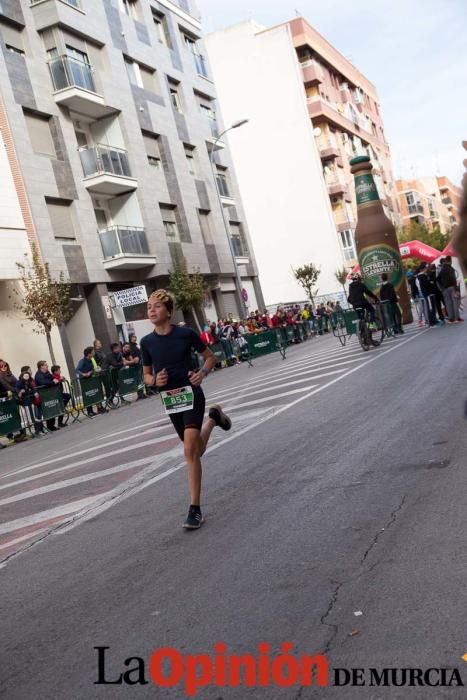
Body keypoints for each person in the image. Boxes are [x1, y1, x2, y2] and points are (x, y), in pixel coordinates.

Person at [141, 289, 231, 530]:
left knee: (189, 450)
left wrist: (202, 373)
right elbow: (146, 375)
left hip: (191, 394)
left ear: (168, 311)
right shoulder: (146, 342)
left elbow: (210, 358)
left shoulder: (186, 334)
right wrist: (153, 382)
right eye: (149, 306)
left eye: (157, 306)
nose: (151, 309)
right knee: (195, 451)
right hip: (171, 400)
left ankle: (195, 509)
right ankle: (214, 418)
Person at [15, 369, 43, 437]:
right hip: (24, 401)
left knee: (33, 412)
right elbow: (16, 388)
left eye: (28, 376)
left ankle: (35, 427)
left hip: (30, 400)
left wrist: (35, 392)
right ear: (22, 376)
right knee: (28, 414)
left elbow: (33, 388)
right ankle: (31, 428)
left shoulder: (29, 382)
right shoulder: (20, 382)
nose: (27, 377)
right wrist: (19, 392)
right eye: (25, 376)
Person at [34, 361, 60, 431]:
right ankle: (46, 427)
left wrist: (54, 379)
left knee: (52, 408)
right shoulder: (38, 375)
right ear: (41, 366)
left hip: (50, 393)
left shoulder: (47, 372)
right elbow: (43, 382)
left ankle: (52, 425)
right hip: (43, 395)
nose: (47, 366)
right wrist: (52, 382)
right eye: (45, 365)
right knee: (47, 410)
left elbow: (52, 377)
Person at [437, 256, 463, 324]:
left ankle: (451, 318)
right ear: (450, 261)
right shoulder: (451, 269)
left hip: (445, 289)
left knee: (448, 304)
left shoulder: (442, 269)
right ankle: (457, 318)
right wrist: (456, 288)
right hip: (452, 287)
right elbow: (453, 279)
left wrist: (442, 287)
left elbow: (437, 279)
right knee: (455, 303)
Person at [75, 347, 99, 417]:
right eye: (93, 352)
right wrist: (83, 374)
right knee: (87, 395)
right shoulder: (82, 361)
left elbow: (94, 368)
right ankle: (89, 411)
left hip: (91, 378)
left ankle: (96, 409)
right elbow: (77, 370)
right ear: (89, 354)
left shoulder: (92, 360)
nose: (94, 353)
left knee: (92, 393)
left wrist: (91, 372)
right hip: (84, 380)